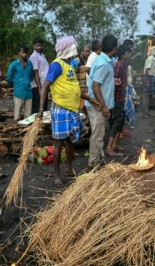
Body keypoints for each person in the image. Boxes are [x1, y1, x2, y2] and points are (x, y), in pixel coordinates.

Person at [38, 37, 100, 185]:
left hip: (72, 109)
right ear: (67, 49)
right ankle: (57, 175)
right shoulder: (57, 65)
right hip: (60, 109)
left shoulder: (70, 66)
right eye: (73, 46)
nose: (75, 49)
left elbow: (75, 89)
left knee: (70, 141)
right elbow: (46, 86)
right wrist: (41, 109)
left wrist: (90, 99)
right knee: (58, 143)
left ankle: (69, 168)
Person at [85, 35, 118, 168]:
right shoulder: (103, 63)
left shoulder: (103, 60)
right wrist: (104, 106)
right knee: (97, 134)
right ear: (114, 48)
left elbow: (99, 82)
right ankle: (93, 161)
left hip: (97, 103)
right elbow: (95, 85)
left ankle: (99, 158)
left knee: (100, 133)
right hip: (97, 105)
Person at [106, 44, 131, 157]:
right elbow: (115, 83)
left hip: (121, 97)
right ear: (123, 54)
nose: (130, 55)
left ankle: (114, 144)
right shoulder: (119, 66)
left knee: (120, 121)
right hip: (116, 98)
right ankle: (109, 147)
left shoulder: (124, 65)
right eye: (128, 53)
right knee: (116, 120)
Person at [6, 45, 34, 121]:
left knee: (28, 117)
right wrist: (15, 85)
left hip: (28, 93)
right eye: (23, 52)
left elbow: (31, 77)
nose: (25, 54)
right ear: (19, 53)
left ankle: (27, 132)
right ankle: (16, 131)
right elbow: (8, 78)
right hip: (18, 93)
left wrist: (26, 82)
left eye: (26, 53)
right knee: (17, 116)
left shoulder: (30, 64)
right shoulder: (14, 64)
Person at [30, 37, 49, 114]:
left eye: (41, 46)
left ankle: (42, 125)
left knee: (44, 108)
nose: (40, 47)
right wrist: (40, 88)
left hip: (44, 86)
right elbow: (35, 72)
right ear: (33, 46)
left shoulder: (42, 56)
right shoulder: (34, 56)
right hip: (38, 87)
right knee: (38, 108)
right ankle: (36, 125)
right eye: (38, 46)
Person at [143, 45, 155, 111]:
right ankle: (145, 110)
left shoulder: (153, 59)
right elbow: (146, 70)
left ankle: (147, 110)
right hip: (149, 78)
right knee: (147, 95)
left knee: (150, 94)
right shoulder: (150, 59)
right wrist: (147, 81)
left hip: (152, 77)